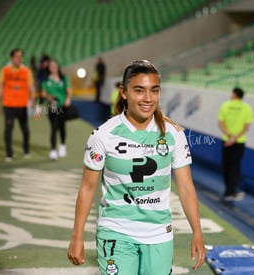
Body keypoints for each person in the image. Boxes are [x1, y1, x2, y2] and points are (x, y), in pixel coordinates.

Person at [67, 60, 206, 274]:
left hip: (159, 233)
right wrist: (77, 236)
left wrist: (197, 231)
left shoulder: (173, 134)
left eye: (154, 91)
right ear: (123, 92)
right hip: (116, 230)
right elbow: (87, 188)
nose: (148, 98)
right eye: (139, 90)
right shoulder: (103, 135)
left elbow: (186, 187)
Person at [0, 48, 36, 161]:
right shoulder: (5, 71)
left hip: (22, 105)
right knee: (8, 129)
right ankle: (9, 153)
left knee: (25, 129)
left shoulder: (27, 71)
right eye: (17, 56)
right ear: (11, 58)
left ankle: (26, 150)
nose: (19, 59)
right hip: (9, 105)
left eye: (21, 56)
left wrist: (33, 101)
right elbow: (0, 87)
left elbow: (31, 87)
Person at [218, 87, 254, 201]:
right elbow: (246, 127)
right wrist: (234, 138)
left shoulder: (225, 105)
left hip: (226, 141)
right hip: (239, 141)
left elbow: (221, 123)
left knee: (227, 166)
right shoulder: (247, 108)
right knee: (235, 167)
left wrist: (229, 137)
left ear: (234, 94)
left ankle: (227, 191)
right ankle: (231, 191)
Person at [40, 59, 72, 160]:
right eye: (51, 66)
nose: (53, 67)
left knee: (62, 127)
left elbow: (69, 90)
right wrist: (48, 97)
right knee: (53, 127)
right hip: (52, 107)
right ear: (49, 68)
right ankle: (53, 150)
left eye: (55, 65)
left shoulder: (63, 78)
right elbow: (43, 93)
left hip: (62, 106)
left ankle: (62, 145)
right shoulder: (46, 80)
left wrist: (68, 99)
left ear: (58, 66)